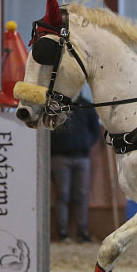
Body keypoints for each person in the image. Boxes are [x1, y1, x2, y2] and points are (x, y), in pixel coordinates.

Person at [51, 93, 101, 242]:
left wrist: (86, 144)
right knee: (63, 195)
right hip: (59, 156)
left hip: (82, 157)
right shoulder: (55, 106)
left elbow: (95, 129)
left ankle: (82, 233)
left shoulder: (86, 105)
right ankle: (63, 232)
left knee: (81, 195)